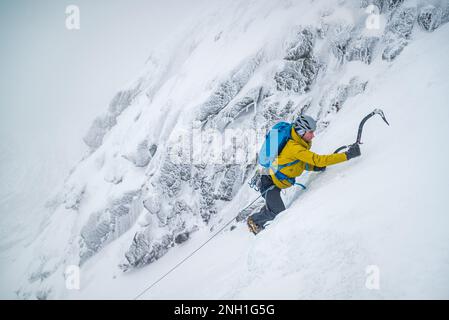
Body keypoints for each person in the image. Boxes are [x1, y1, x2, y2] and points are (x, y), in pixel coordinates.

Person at [247, 115, 361, 235]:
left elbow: (297, 164)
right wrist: (347, 155)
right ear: (301, 132)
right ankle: (254, 221)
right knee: (278, 213)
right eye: (310, 132)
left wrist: (313, 167)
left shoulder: (299, 144)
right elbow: (318, 159)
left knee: (275, 208)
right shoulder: (294, 147)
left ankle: (263, 214)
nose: (313, 135)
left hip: (274, 180)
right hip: (268, 182)